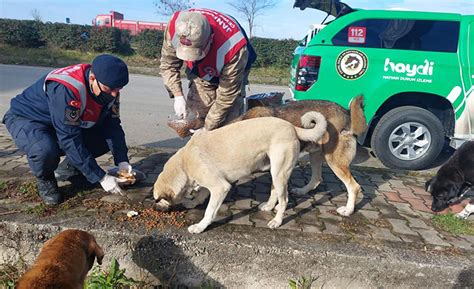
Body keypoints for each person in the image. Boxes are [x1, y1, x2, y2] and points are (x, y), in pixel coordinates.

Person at [2, 54, 133, 205]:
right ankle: (46, 179)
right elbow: (69, 138)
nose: (114, 94)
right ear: (92, 78)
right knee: (44, 150)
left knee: (103, 138)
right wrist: (100, 177)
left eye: (119, 89)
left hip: (60, 123)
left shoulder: (109, 88)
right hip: (28, 119)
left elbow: (113, 125)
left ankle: (69, 170)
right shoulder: (67, 89)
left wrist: (122, 160)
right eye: (109, 89)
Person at [160, 8, 257, 133]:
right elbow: (168, 65)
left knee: (228, 123)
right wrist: (178, 95)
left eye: (196, 53)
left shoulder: (234, 48)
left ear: (211, 39)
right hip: (203, 72)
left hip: (232, 69)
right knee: (196, 116)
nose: (191, 59)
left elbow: (227, 96)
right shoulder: (175, 27)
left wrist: (208, 128)